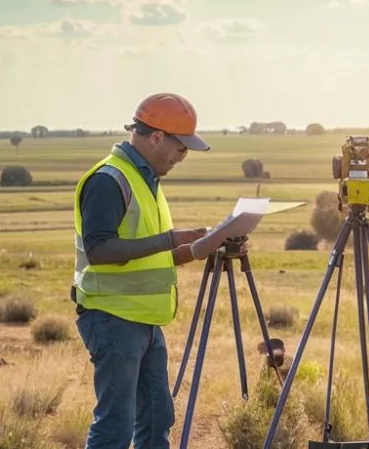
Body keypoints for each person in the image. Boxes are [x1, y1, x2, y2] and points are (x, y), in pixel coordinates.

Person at [72, 93, 244, 449]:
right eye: (181, 148)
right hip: (112, 319)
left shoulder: (145, 179)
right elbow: (100, 250)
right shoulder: (109, 180)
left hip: (145, 322)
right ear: (156, 137)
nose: (183, 157)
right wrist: (169, 239)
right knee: (114, 428)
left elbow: (149, 257)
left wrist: (201, 246)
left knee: (156, 420)